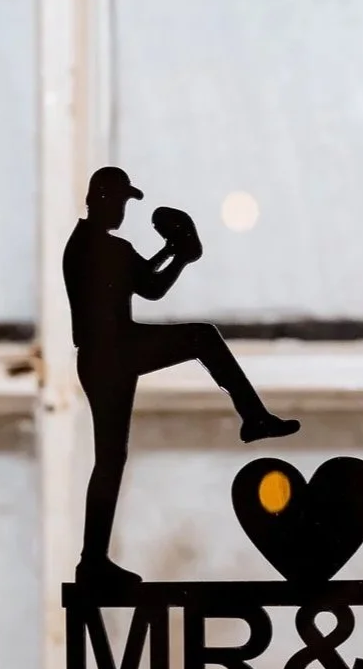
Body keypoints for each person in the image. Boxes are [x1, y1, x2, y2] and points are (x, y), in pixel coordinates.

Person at [64, 166, 300, 596]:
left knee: (111, 459)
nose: (122, 210)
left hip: (108, 353)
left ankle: (93, 560)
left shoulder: (90, 245)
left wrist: (174, 252)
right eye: (119, 201)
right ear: (99, 199)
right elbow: (152, 287)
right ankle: (253, 417)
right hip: (113, 352)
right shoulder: (101, 247)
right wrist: (180, 255)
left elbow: (143, 277)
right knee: (200, 337)